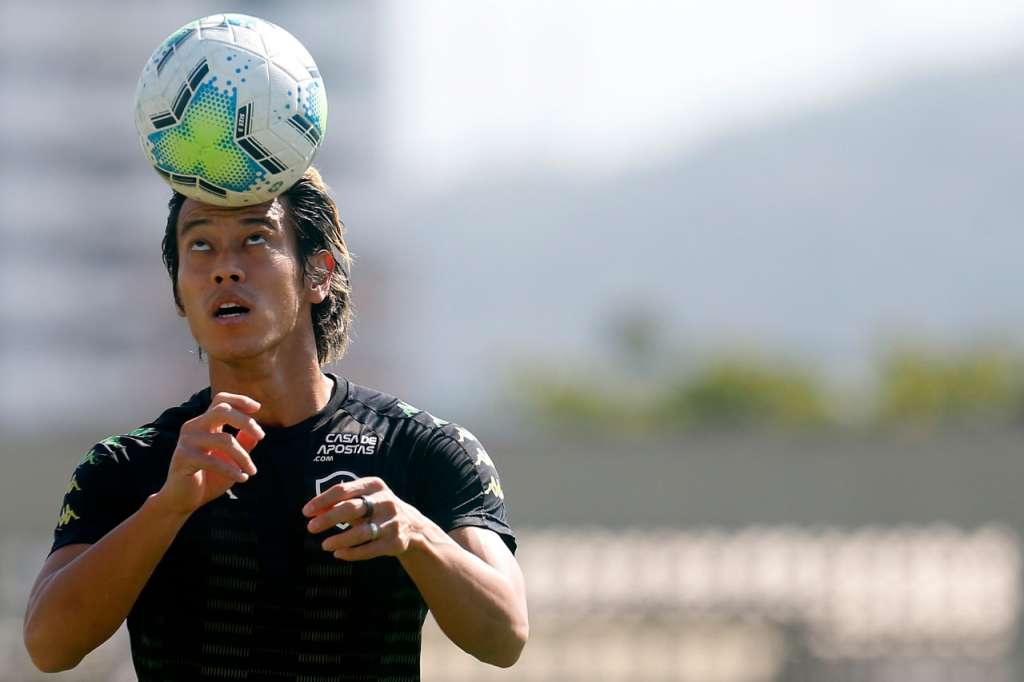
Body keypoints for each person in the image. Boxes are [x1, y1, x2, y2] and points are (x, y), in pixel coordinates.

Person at [22, 167, 528, 680]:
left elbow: (504, 636)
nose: (225, 270)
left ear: (319, 274)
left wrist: (416, 533)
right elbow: (48, 646)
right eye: (200, 247)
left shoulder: (425, 450)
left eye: (255, 239)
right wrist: (167, 509)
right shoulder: (129, 465)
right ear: (179, 294)